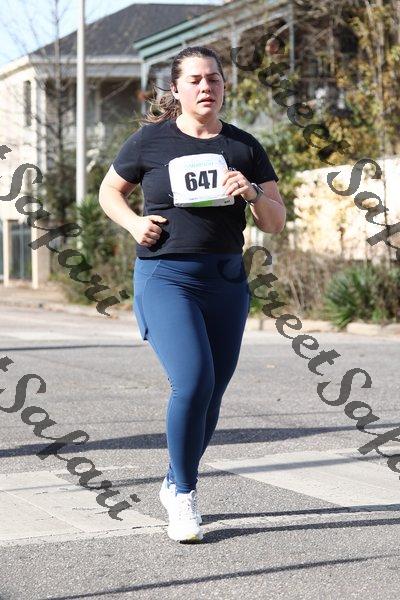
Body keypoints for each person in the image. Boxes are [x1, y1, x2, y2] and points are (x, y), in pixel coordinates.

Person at [99, 46, 286, 543]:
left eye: (215, 79)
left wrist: (252, 192)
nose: (207, 87)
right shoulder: (149, 141)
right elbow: (109, 192)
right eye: (196, 80)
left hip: (226, 280)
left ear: (225, 86)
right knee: (193, 381)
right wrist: (134, 223)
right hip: (166, 276)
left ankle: (172, 479)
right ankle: (184, 495)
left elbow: (275, 220)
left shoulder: (244, 146)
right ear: (177, 89)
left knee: (213, 391)